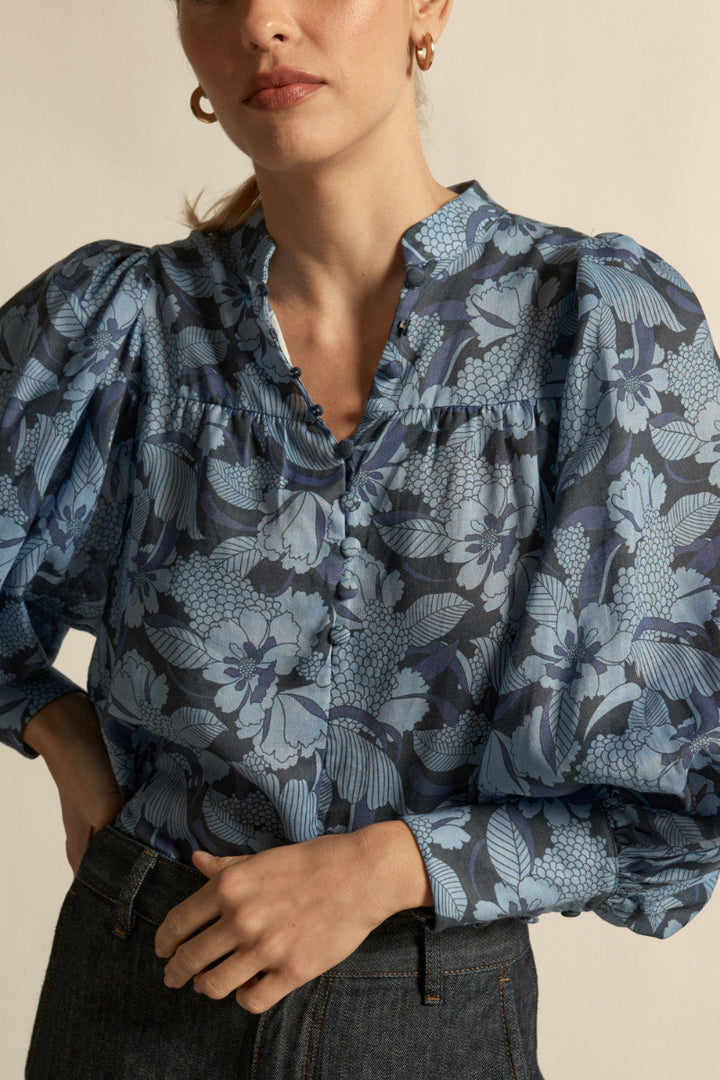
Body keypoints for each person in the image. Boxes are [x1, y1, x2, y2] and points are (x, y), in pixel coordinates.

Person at [1, 0, 719, 1077]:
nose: (262, 22)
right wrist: (57, 732)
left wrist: (394, 866)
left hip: (430, 1017)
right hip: (137, 983)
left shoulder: (598, 332)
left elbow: (678, 797)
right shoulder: (120, 327)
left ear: (428, 6)